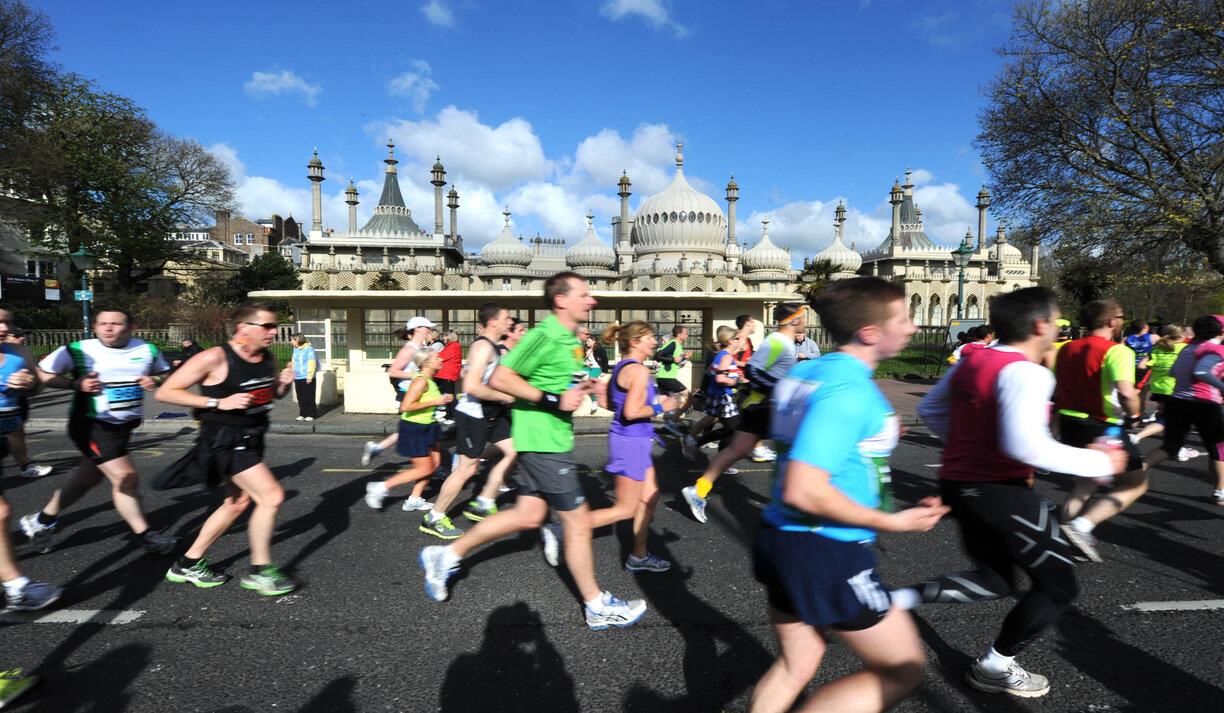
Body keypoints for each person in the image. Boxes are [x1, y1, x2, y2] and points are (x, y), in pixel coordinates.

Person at [907, 287, 1127, 699]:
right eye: (1058, 322)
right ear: (1040, 324)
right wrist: (1101, 464)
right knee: (1059, 587)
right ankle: (994, 666)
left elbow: (930, 410)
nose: (1059, 330)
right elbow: (1027, 447)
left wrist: (970, 448)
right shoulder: (1029, 373)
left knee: (994, 580)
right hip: (1001, 492)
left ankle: (893, 600)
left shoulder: (972, 359)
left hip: (958, 484)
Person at [748, 277, 948, 713]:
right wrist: (893, 521)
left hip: (780, 537)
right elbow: (805, 487)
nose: (913, 328)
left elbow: (816, 434)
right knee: (903, 668)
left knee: (796, 663)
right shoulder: (851, 391)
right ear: (870, 333)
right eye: (905, 318)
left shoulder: (806, 371)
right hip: (827, 549)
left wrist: (874, 432)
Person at [420, 272, 647, 631]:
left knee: (526, 516)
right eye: (584, 295)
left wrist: (583, 387)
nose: (593, 301)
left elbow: (551, 382)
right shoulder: (544, 335)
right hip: (543, 445)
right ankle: (596, 604)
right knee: (575, 524)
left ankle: (446, 554)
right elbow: (500, 379)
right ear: (561, 300)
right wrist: (555, 398)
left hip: (545, 441)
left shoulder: (568, 338)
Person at [155, 302, 298, 596]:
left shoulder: (265, 357)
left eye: (274, 326)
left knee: (236, 503)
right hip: (224, 438)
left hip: (253, 435)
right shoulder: (215, 357)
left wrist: (282, 386)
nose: (273, 332)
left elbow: (265, 395)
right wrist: (216, 402)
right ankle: (260, 571)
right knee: (271, 496)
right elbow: (166, 391)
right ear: (243, 328)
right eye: (267, 326)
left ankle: (187, 563)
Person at [19, 308, 177, 556]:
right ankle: (145, 536)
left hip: (124, 427)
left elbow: (165, 373)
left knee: (88, 479)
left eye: (115, 323)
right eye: (102, 323)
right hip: (91, 424)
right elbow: (43, 373)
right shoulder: (79, 349)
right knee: (126, 477)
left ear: (131, 327)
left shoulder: (147, 349)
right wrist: (75, 384)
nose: (108, 328)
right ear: (95, 327)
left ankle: (41, 520)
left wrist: (155, 381)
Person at [682, 303, 806, 524]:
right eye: (803, 317)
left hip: (764, 407)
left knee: (737, 449)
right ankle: (790, 505)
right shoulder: (777, 342)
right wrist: (780, 389)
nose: (805, 321)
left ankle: (698, 490)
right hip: (766, 406)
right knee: (798, 451)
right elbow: (753, 370)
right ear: (794, 320)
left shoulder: (784, 342)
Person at [1050, 299, 1145, 562]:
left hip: (1070, 423)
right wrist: (1135, 415)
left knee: (1085, 484)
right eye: (1122, 317)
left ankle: (1067, 542)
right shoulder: (1117, 351)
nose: (1123, 322)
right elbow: (1126, 392)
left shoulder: (1066, 349)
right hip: (1102, 425)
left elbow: (1058, 387)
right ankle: (1081, 527)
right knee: (1135, 483)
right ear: (1111, 321)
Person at [589, 321, 682, 573]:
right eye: (650, 337)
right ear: (634, 342)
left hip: (635, 439)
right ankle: (566, 526)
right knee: (626, 508)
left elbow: (612, 405)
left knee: (649, 500)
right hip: (630, 441)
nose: (655, 342)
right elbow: (631, 412)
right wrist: (664, 406)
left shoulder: (624, 367)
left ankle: (638, 555)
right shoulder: (638, 371)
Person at [420, 304, 514, 536]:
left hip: (492, 412)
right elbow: (472, 386)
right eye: (506, 318)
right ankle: (435, 517)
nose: (510, 322)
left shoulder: (493, 346)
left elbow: (471, 377)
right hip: (475, 414)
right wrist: (507, 396)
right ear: (493, 321)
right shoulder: (483, 346)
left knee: (516, 449)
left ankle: (483, 501)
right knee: (467, 470)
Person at [0, 306, 62, 613]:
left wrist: (29, 386)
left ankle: (15, 587)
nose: (3, 327)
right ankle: (16, 587)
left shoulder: (17, 353)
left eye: (7, 322)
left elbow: (38, 385)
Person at [1139, 314, 1224, 506]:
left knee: (1170, 447)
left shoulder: (1188, 349)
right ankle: (1220, 492)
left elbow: (1173, 372)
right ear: (1221, 331)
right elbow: (1201, 371)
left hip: (1178, 401)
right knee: (1218, 449)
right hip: (1205, 403)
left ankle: (1134, 471)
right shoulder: (1216, 349)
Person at [364, 349, 453, 514]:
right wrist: (436, 400)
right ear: (426, 363)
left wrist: (442, 401)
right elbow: (405, 406)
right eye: (436, 356)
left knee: (434, 464)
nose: (440, 358)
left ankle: (414, 499)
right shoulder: (421, 381)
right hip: (414, 428)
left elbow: (427, 402)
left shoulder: (430, 380)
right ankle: (380, 487)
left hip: (429, 426)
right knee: (424, 469)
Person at [361, 316, 435, 467]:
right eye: (427, 327)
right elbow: (393, 372)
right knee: (419, 429)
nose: (430, 330)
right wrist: (416, 375)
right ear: (418, 329)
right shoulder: (409, 350)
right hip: (408, 395)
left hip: (419, 394)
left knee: (419, 429)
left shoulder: (421, 349)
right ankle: (432, 466)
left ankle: (377, 448)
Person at [682, 326, 744, 462]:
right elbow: (720, 378)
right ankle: (716, 455)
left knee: (713, 419)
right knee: (733, 428)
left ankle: (690, 439)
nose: (739, 341)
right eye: (736, 339)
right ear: (729, 341)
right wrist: (736, 382)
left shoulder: (721, 355)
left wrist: (734, 375)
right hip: (722, 397)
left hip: (716, 395)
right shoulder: (726, 357)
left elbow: (711, 372)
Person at [2, 325, 50, 478]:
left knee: (17, 433)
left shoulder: (23, 354)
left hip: (16, 401)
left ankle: (25, 466)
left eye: (23, 335)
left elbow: (38, 381)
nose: (21, 338)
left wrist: (32, 383)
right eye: (16, 336)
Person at [1131, 324, 1187, 447]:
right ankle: (1137, 437)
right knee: (1171, 420)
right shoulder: (1185, 348)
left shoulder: (1156, 349)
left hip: (1158, 388)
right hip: (1174, 389)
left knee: (1171, 417)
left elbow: (1141, 365)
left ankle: (1175, 446)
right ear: (1181, 335)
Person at [1124, 320, 1158, 418]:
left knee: (1129, 389)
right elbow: (1166, 346)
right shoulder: (1153, 337)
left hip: (1129, 367)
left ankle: (1128, 412)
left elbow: (1119, 350)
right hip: (1144, 368)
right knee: (1141, 391)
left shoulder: (1126, 339)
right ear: (1145, 327)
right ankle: (1139, 414)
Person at [434, 330, 463, 424]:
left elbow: (441, 356)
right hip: (446, 374)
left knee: (449, 395)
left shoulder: (454, 346)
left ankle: (452, 415)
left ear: (449, 336)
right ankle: (450, 414)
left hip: (448, 374)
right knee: (448, 394)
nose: (443, 338)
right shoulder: (452, 345)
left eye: (445, 336)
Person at [291, 334, 318, 421]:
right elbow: (293, 361)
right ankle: (303, 413)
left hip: (307, 377)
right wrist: (292, 373)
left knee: (309, 396)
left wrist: (310, 376)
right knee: (300, 397)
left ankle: (311, 414)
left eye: (292, 340)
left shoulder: (309, 349)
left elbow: (312, 363)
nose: (291, 342)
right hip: (298, 377)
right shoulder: (295, 349)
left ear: (298, 340)